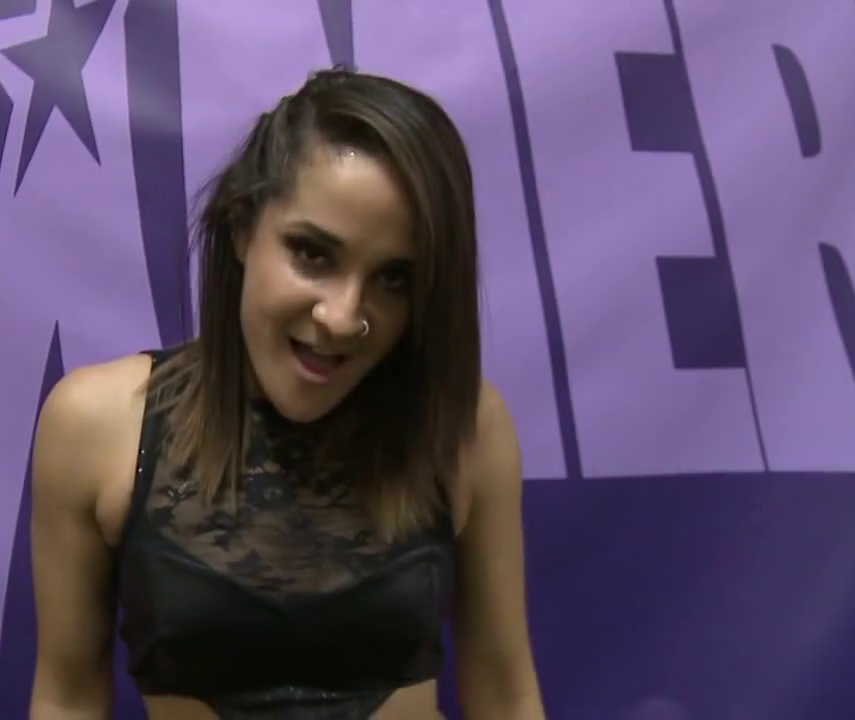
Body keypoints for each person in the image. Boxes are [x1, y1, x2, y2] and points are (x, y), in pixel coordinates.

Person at [27, 68, 545, 720]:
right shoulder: (95, 424)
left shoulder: (463, 425)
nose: (343, 317)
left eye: (394, 279)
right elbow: (67, 698)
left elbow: (505, 693)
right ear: (243, 227)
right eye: (313, 254)